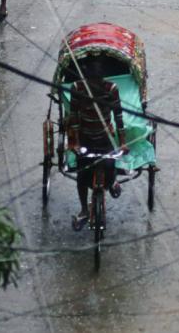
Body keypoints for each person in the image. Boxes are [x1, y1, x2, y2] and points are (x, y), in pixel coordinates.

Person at [68, 60, 128, 231]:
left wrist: (122, 143)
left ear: (102, 79)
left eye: (97, 81)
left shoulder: (111, 89)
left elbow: (118, 117)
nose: (94, 85)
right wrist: (76, 143)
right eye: (91, 81)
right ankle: (84, 210)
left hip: (105, 137)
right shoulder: (77, 88)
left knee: (110, 168)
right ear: (86, 79)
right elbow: (73, 117)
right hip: (85, 136)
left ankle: (112, 182)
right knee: (81, 176)